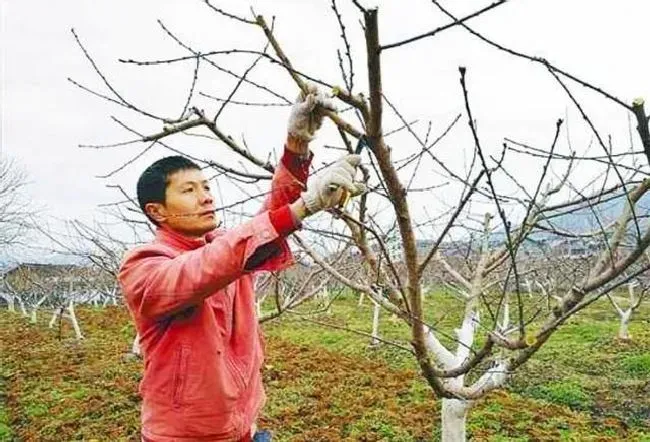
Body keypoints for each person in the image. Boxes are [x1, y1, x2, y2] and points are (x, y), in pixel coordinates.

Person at [117, 85, 366, 442]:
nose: (205, 197)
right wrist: (304, 206)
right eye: (189, 190)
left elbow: (262, 227)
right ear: (156, 211)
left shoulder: (225, 247)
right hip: (184, 435)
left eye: (206, 187)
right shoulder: (144, 266)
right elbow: (205, 268)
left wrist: (296, 148)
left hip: (242, 424)